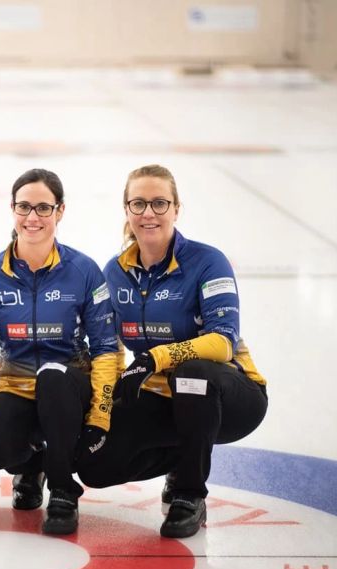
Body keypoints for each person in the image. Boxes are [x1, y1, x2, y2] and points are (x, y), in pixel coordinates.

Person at [77, 164, 268, 538]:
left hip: (232, 397)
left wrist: (155, 357)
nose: (149, 213)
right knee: (94, 467)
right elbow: (108, 350)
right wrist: (102, 408)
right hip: (164, 397)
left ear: (176, 209)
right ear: (127, 210)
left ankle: (188, 493)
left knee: (192, 373)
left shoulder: (207, 261)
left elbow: (223, 340)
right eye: (139, 203)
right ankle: (185, 454)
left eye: (160, 203)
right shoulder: (113, 273)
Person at [0, 168, 119, 535]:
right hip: (15, 384)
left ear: (60, 211)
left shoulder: (83, 271)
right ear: (12, 209)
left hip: (67, 386)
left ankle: (64, 489)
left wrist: (101, 414)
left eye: (43, 208)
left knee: (52, 376)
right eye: (24, 207)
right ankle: (33, 466)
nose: (32, 217)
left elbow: (106, 349)